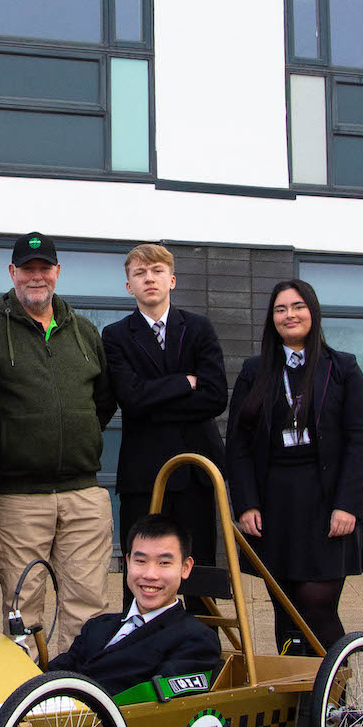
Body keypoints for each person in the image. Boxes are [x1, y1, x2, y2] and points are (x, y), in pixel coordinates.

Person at [0, 231, 117, 655]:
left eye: (44, 269)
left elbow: (102, 400)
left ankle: (80, 700)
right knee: (23, 611)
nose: (36, 277)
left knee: (89, 606)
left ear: (57, 272)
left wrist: (78, 431)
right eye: (27, 269)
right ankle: (28, 704)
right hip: (19, 497)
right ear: (12, 273)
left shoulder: (85, 331)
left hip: (83, 495)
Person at [225, 279, 363, 654]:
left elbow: (361, 440)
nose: (289, 315)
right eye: (280, 309)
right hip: (275, 503)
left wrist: (348, 504)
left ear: (313, 312)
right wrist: (245, 504)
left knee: (316, 603)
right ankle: (297, 704)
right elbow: (238, 445)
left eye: (297, 306)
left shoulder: (343, 368)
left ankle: (334, 699)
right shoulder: (254, 371)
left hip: (327, 503)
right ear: (271, 319)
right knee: (285, 608)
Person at [101, 243, 227, 615]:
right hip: (144, 474)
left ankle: (201, 656)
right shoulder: (116, 335)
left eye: (156, 271)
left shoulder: (199, 328)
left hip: (196, 473)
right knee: (142, 571)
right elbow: (132, 398)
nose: (149, 279)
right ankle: (138, 649)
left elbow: (216, 396)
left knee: (198, 573)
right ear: (129, 286)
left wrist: (154, 396)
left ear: (171, 279)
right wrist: (185, 382)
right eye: (140, 274)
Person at [48, 514, 221, 696]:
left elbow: (154, 701)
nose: (150, 574)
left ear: (185, 567)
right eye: (141, 561)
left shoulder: (196, 639)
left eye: (164, 563)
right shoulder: (96, 626)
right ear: (128, 562)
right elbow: (52, 676)